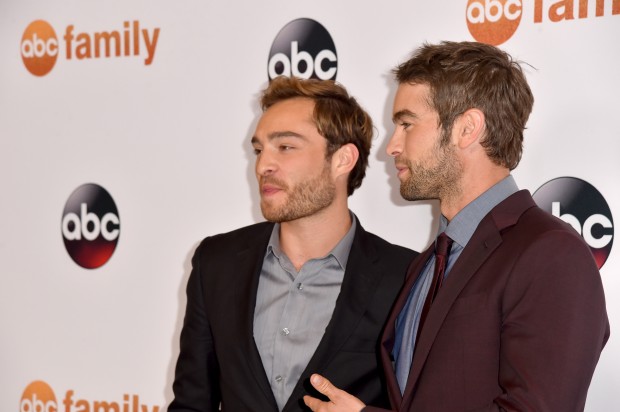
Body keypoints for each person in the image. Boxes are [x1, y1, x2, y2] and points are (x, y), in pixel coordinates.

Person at [303, 41, 610, 412]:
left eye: (406, 124)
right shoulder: (427, 264)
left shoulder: (550, 254)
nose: (392, 147)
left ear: (467, 129)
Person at [168, 76, 418, 412]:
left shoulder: (406, 277)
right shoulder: (217, 262)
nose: (263, 166)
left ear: (343, 159)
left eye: (285, 147)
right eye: (259, 150)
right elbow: (191, 404)